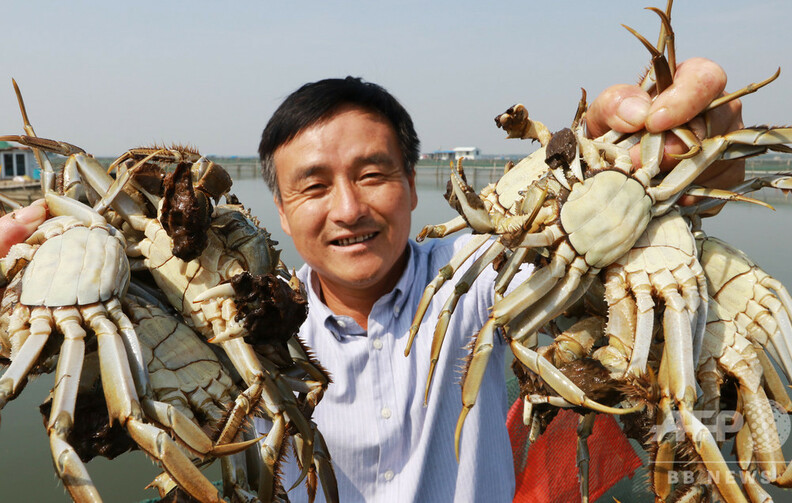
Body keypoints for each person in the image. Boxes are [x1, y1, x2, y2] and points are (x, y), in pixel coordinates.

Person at [0, 58, 743, 502]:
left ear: (414, 188)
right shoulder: (228, 320)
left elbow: (593, 222)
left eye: (374, 173)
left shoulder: (479, 281)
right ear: (282, 212)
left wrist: (678, 146)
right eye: (315, 186)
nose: (349, 208)